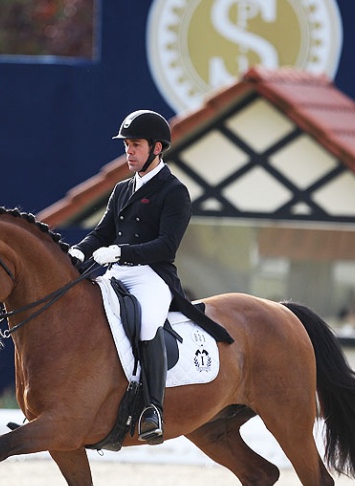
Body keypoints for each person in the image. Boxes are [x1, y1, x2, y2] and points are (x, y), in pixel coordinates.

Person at [69, 109, 233, 445]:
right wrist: (77, 252)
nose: (128, 151)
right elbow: (102, 233)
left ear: (157, 148)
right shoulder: (121, 189)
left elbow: (166, 245)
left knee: (147, 325)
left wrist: (121, 252)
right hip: (116, 273)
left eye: (136, 145)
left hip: (152, 276)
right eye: (126, 145)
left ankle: (152, 409)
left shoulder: (174, 192)